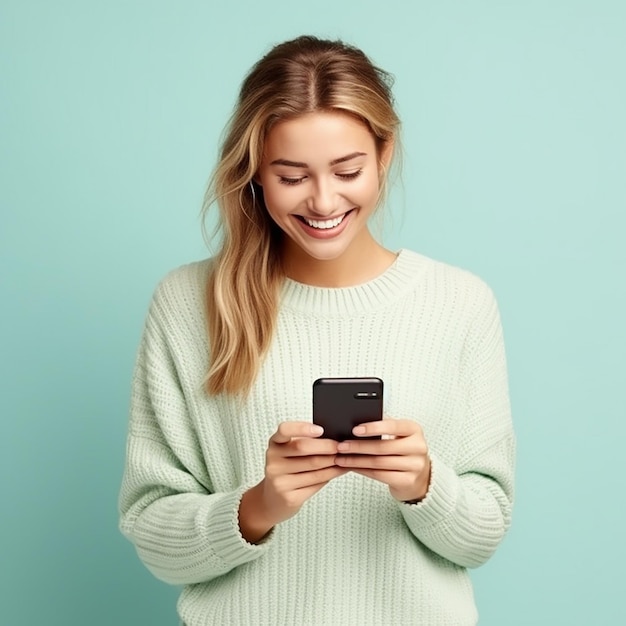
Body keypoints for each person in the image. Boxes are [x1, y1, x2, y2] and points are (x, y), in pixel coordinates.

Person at [118, 35, 515, 626]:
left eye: (347, 170)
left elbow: (484, 534)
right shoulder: (187, 303)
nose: (324, 200)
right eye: (292, 175)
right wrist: (257, 507)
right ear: (254, 171)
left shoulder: (460, 302)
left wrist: (425, 486)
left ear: (384, 155)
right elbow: (152, 530)